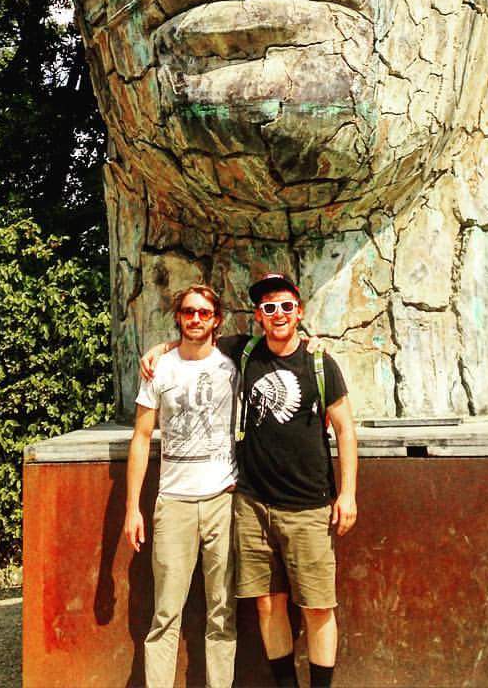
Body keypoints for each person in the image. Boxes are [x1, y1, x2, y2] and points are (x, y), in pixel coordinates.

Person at [141, 273, 358, 688]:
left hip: (308, 504)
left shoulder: (320, 362)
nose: (278, 314)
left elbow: (346, 430)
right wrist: (161, 348)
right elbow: (196, 337)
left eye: (286, 306)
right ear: (258, 316)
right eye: (269, 308)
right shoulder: (245, 352)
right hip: (253, 505)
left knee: (317, 606)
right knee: (268, 604)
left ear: (299, 312)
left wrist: (347, 494)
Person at [125, 284, 238, 688]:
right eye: (189, 312)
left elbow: (281, 344)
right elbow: (141, 437)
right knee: (165, 613)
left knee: (222, 613)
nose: (196, 319)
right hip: (173, 502)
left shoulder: (232, 366)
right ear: (178, 316)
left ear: (216, 319)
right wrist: (133, 508)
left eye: (204, 313)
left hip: (223, 500)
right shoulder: (160, 369)